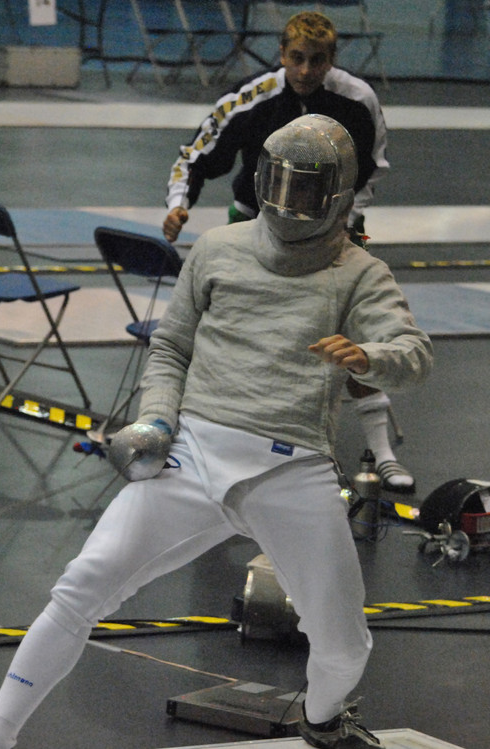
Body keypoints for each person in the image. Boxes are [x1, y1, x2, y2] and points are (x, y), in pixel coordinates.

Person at [0, 115, 432, 749]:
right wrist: (157, 417)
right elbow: (171, 347)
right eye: (279, 183)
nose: (288, 202)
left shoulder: (360, 272)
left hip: (292, 467)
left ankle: (321, 721)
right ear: (260, 180)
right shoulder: (217, 248)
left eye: (306, 189)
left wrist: (370, 357)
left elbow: (414, 353)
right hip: (196, 452)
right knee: (80, 588)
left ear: (338, 196)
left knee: (345, 645)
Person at [161, 11, 413, 495]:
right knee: (234, 329)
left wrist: (347, 219)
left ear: (331, 59)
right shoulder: (252, 96)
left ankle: (382, 452)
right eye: (296, 58)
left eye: (317, 60)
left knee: (349, 336)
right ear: (281, 54)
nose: (305, 70)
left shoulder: (358, 99)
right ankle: (220, 433)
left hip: (335, 233)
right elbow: (197, 153)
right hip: (252, 229)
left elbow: (371, 169)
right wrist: (178, 205)